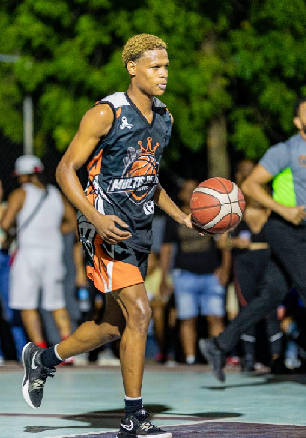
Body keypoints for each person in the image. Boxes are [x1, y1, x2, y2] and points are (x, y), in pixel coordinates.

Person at [22, 34, 181, 437]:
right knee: (140, 313)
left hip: (138, 229)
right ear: (132, 68)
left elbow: (149, 179)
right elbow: (64, 170)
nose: (163, 74)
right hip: (103, 229)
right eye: (154, 67)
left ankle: (43, 360)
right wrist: (94, 215)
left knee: (114, 327)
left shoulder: (164, 118)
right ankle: (133, 417)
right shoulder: (105, 113)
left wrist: (181, 216)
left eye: (165, 66)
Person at [198, 96, 306, 390]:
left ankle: (219, 345)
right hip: (283, 228)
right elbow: (249, 186)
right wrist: (283, 210)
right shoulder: (284, 151)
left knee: (271, 296)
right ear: (298, 122)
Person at [0, 156, 76, 354]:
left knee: (27, 303)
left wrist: (19, 230)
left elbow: (6, 224)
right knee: (57, 302)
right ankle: (66, 351)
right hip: (53, 254)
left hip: (28, 255)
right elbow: (73, 223)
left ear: (23, 176)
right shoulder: (55, 194)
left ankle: (40, 349)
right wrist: (51, 230)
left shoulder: (20, 193)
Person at [159, 178, 230, 365]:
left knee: (215, 317)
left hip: (211, 273)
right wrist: (164, 278)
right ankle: (190, 359)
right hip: (184, 274)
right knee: (186, 318)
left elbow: (224, 243)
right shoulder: (173, 217)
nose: (191, 194)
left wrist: (225, 268)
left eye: (195, 190)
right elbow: (166, 249)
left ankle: (218, 357)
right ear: (181, 195)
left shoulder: (211, 212)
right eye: (188, 191)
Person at [226, 159, 284, 372]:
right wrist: (233, 242)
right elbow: (220, 240)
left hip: (269, 263)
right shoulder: (234, 211)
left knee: (271, 311)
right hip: (245, 265)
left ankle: (277, 357)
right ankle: (248, 358)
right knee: (247, 310)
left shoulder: (272, 210)